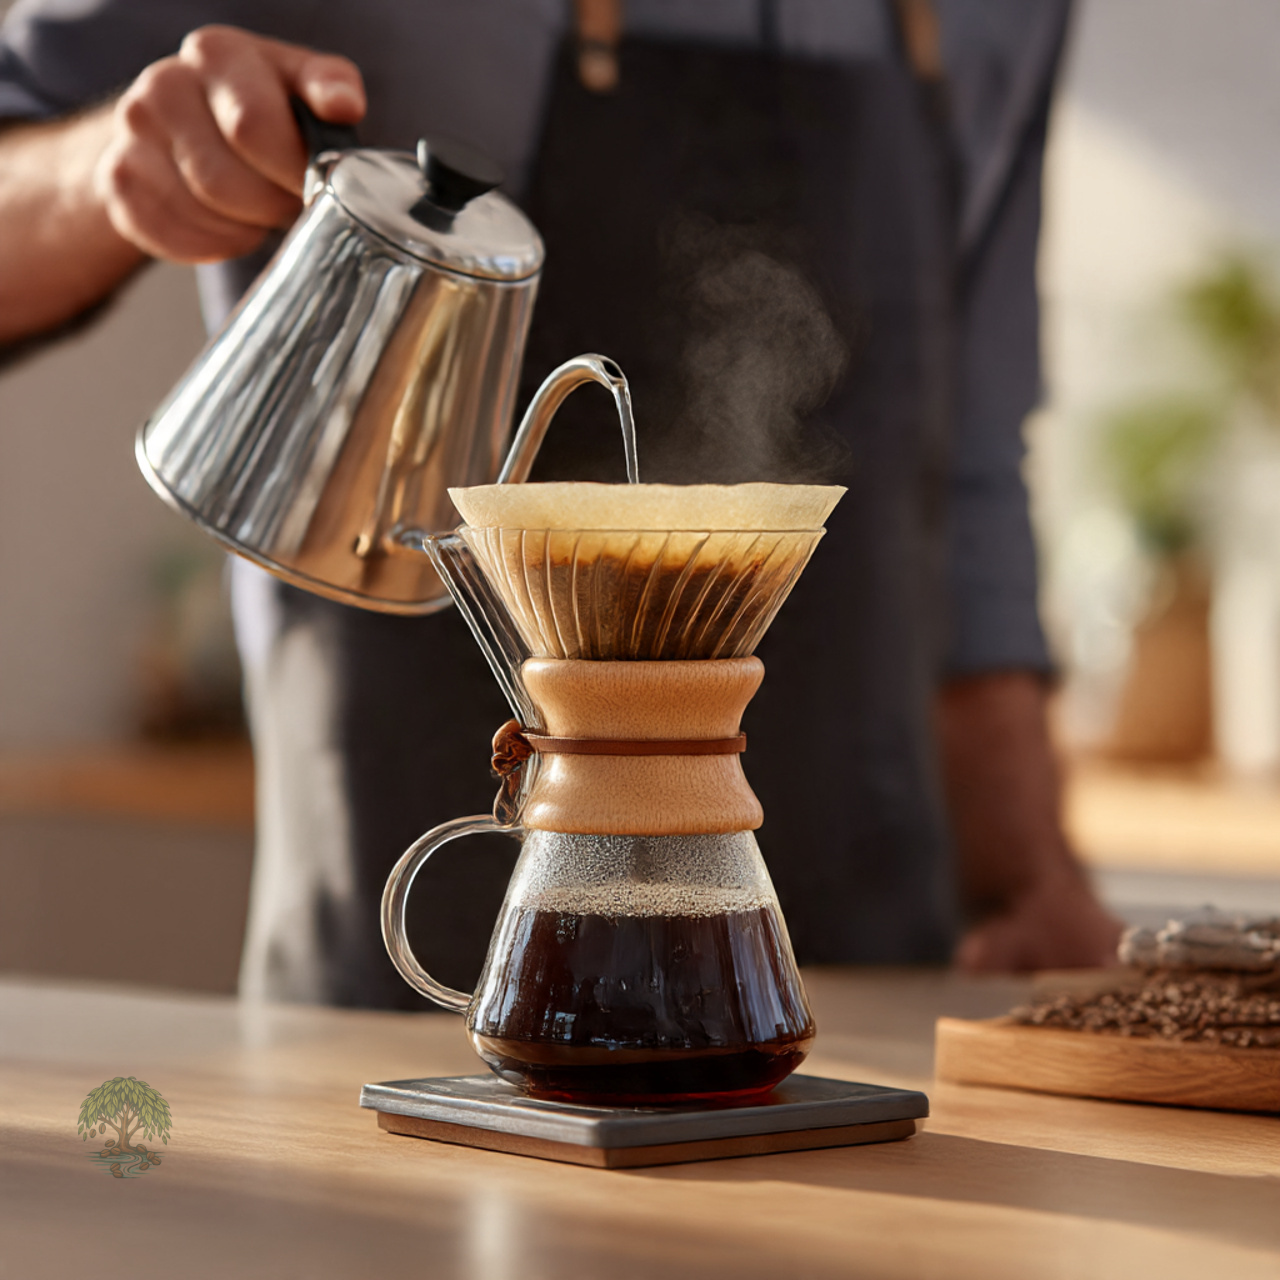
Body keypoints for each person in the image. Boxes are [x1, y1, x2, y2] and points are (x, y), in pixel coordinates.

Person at [0, 0, 1121, 1006]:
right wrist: (107, 165)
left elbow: (959, 463)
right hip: (420, 969)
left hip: (870, 988)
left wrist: (1028, 874)